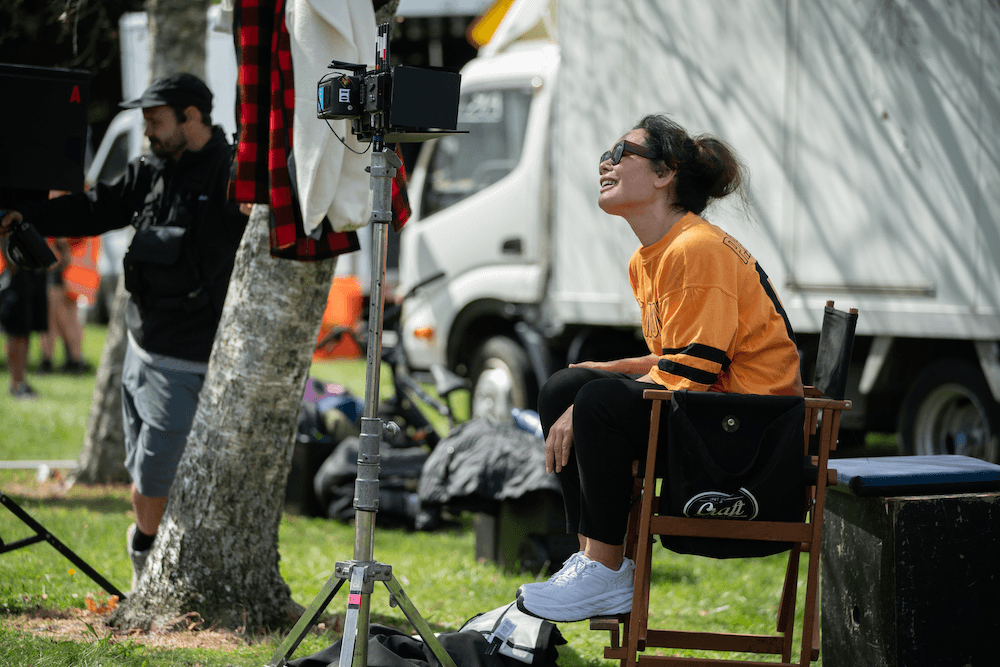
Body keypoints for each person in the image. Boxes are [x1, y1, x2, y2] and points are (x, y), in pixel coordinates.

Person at [515, 114, 803, 623]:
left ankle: (604, 570)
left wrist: (594, 398)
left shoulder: (697, 248)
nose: (606, 161)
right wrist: (603, 369)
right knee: (567, 386)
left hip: (751, 432)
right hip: (713, 411)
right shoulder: (650, 256)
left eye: (620, 151)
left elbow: (694, 368)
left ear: (666, 173)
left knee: (596, 402)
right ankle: (590, 560)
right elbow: (681, 354)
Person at [0, 73, 249, 588]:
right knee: (143, 473)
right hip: (141, 344)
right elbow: (97, 208)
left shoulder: (231, 174)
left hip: (190, 356)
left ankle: (148, 576)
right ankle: (149, 569)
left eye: (155, 121)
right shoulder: (152, 170)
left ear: (191, 117)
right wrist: (34, 214)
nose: (147, 133)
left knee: (154, 478)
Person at [0, 237, 48, 399]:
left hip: (33, 271)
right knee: (16, 330)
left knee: (25, 330)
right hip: (15, 272)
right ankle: (16, 383)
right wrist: (10, 264)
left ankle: (22, 381)